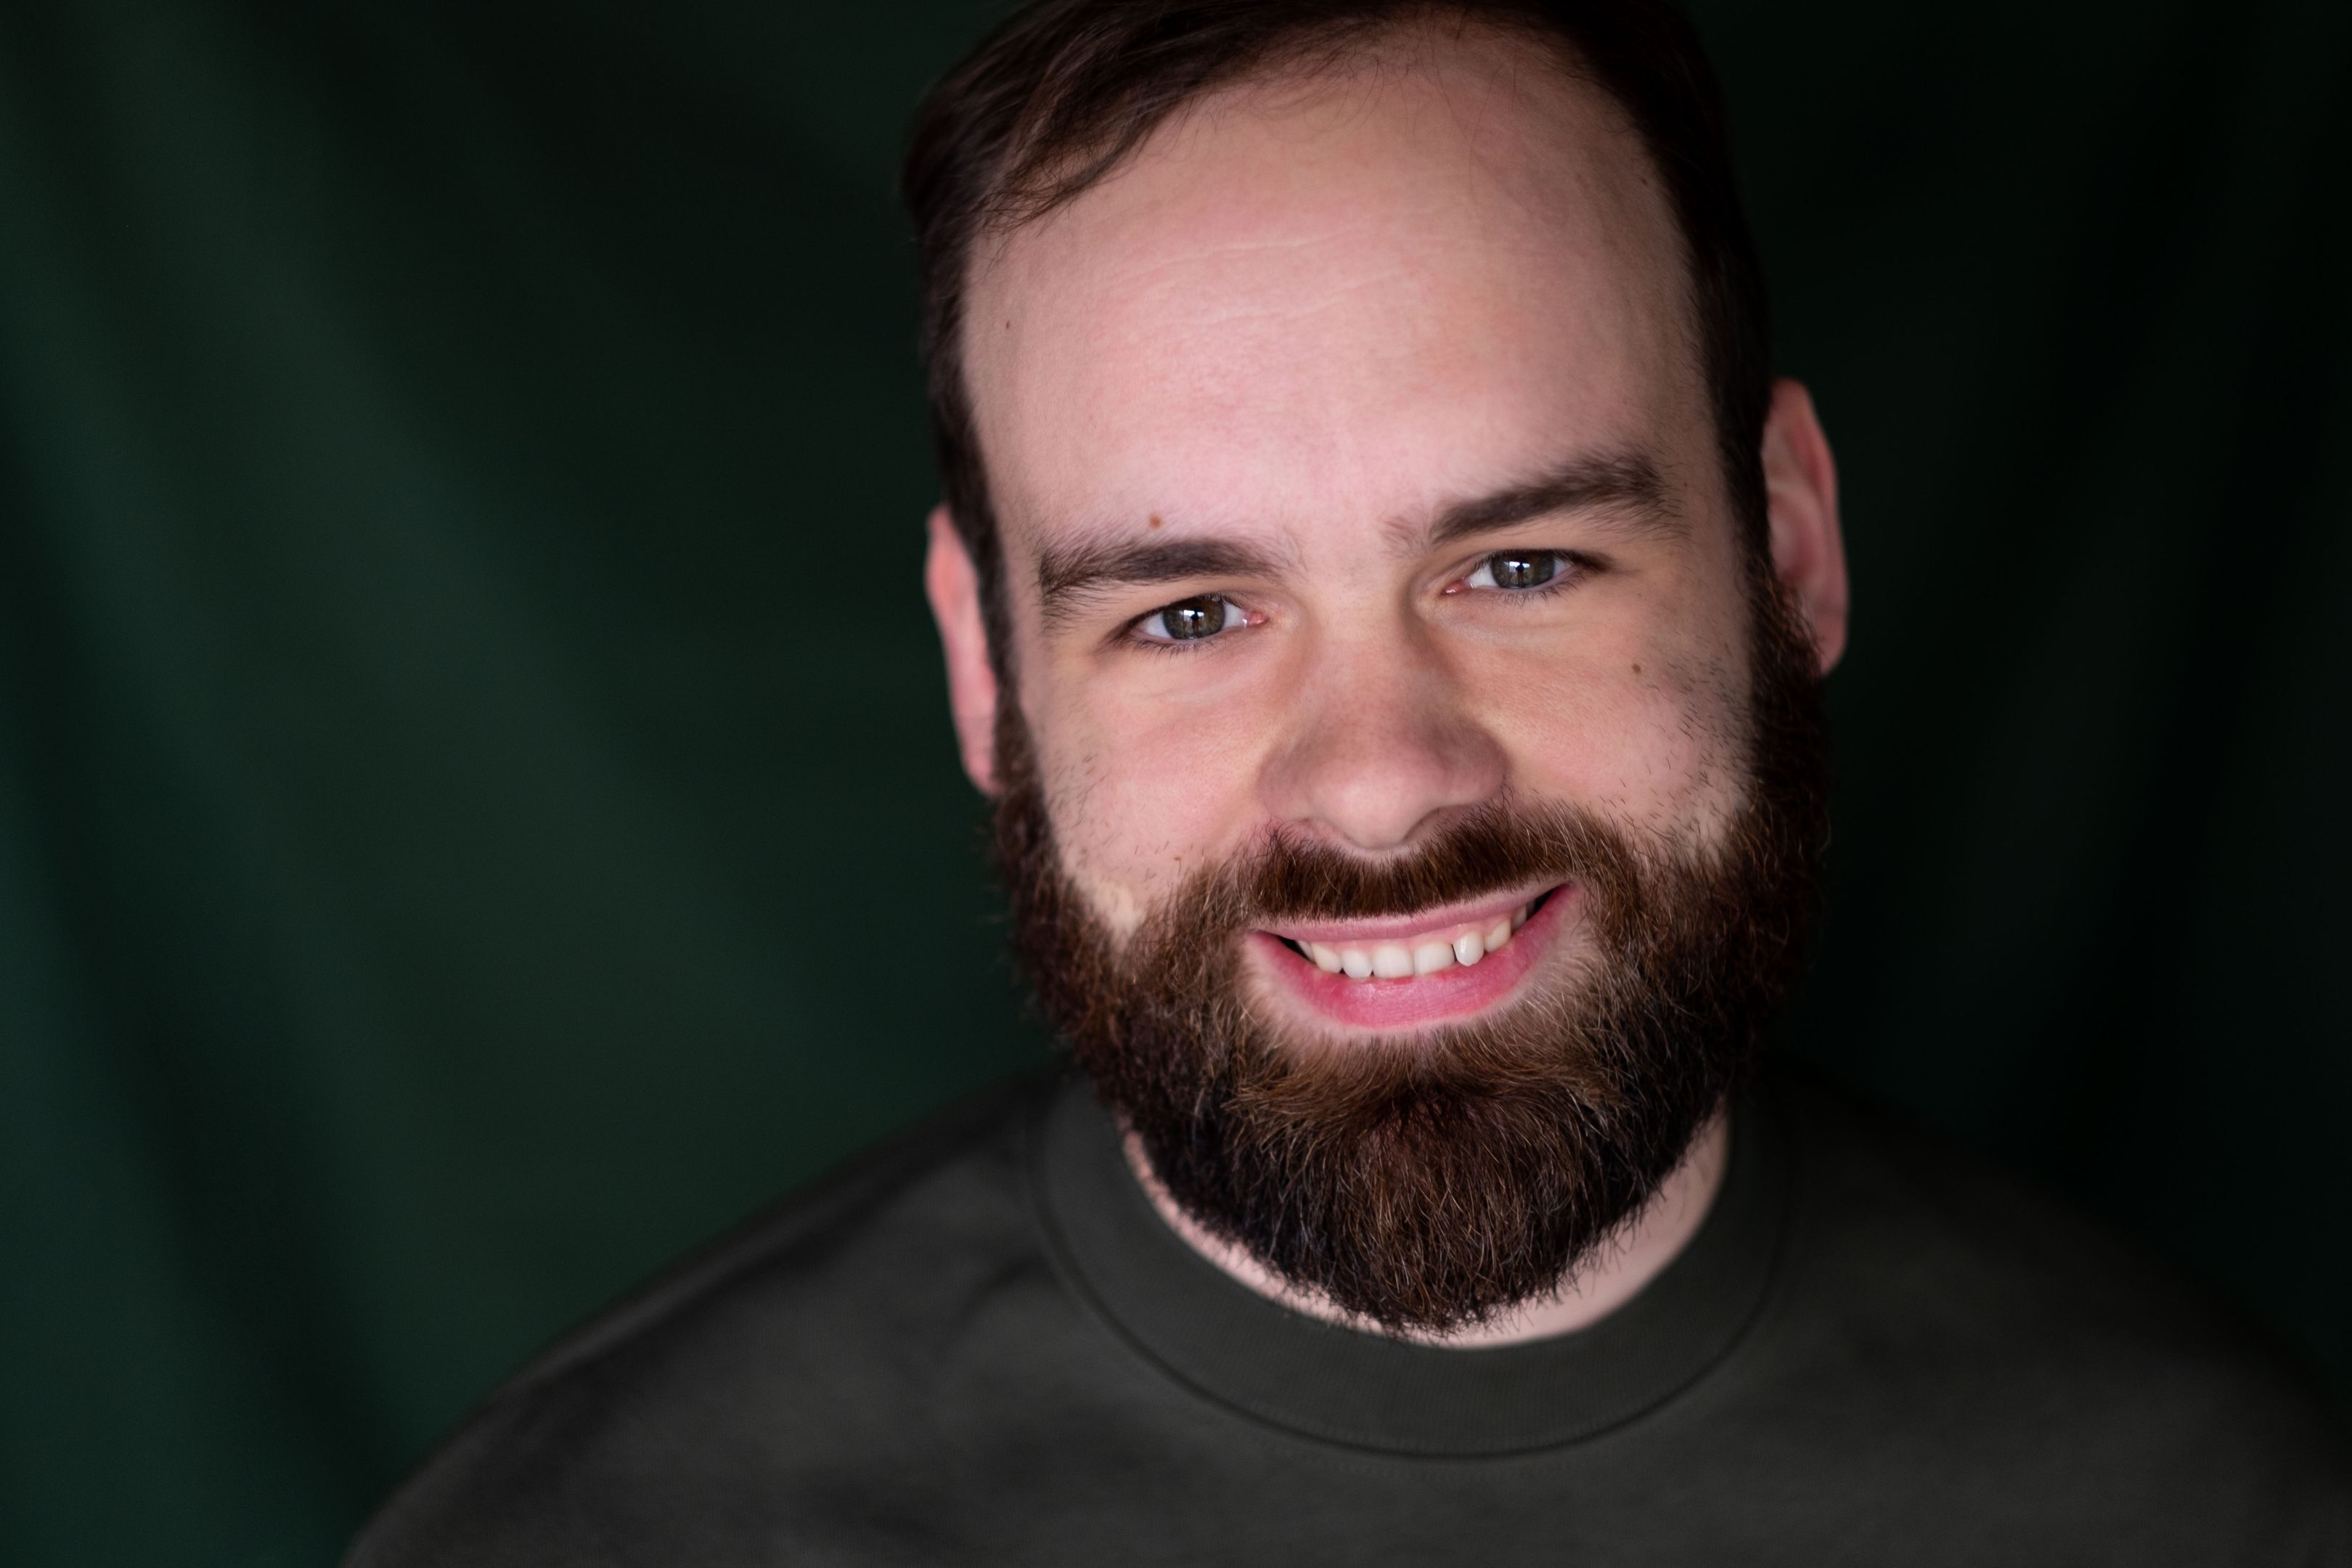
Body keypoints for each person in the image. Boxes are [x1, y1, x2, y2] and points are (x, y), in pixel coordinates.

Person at [348, 1, 2351, 1561]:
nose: (1385, 786)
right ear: (983, 668)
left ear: (1790, 547)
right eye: (1192, 613)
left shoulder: (2232, 1512)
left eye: (1522, 566)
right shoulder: (580, 1540)